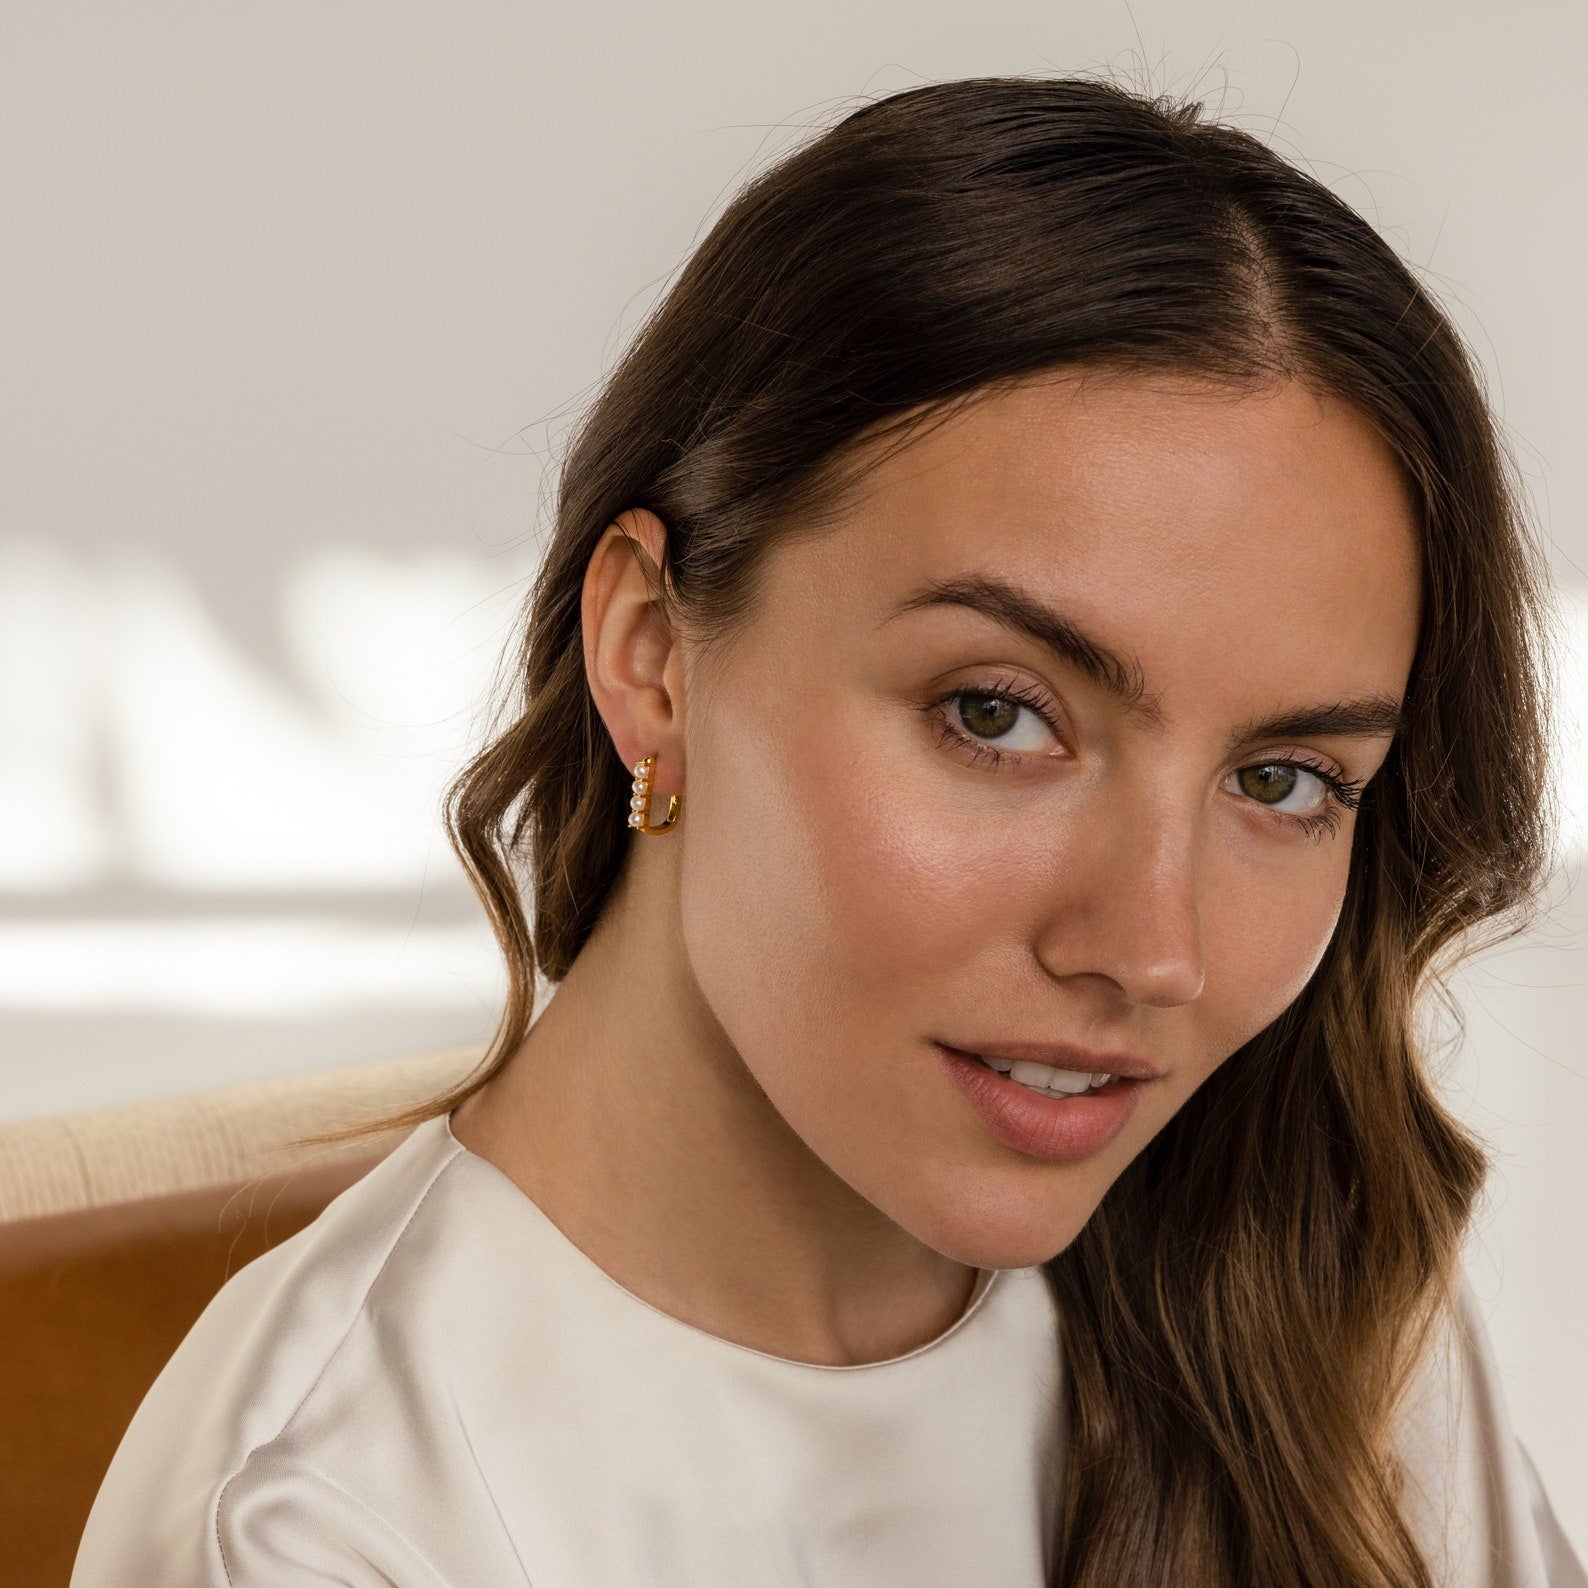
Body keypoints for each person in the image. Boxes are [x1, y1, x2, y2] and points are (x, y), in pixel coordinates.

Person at [73, 74, 1587, 1587]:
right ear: (652, 655)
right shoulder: (322, 1523)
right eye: (998, 715)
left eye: (1284, 781)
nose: (1153, 949)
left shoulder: (1313, 1302)